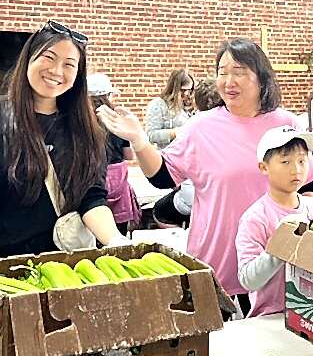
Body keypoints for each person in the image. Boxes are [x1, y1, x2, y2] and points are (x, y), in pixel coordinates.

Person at [97, 38, 313, 311]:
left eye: (238, 72)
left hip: (274, 266)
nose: (229, 81)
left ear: (261, 77)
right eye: (222, 72)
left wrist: (300, 226)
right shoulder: (201, 127)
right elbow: (163, 177)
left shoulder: (285, 123)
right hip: (216, 261)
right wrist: (139, 140)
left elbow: (310, 187)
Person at [0, 21, 127, 257]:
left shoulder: (87, 129)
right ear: (28, 58)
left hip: (67, 263)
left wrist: (116, 240)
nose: (57, 71)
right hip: (8, 267)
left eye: (69, 64)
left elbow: (92, 197)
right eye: (49, 57)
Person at [236, 127, 313, 318]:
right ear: (264, 167)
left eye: (302, 161)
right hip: (272, 317)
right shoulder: (256, 218)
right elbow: (248, 280)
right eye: (285, 162)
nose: (296, 170)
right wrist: (279, 248)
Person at [151, 78, 222, 229]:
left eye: (189, 92)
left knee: (160, 211)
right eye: (184, 91)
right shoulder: (234, 123)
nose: (187, 96)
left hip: (198, 193)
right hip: (219, 194)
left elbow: (163, 175)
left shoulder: (195, 125)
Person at [88, 72, 141, 235]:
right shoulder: (117, 121)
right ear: (108, 95)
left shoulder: (83, 122)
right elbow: (129, 156)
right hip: (119, 182)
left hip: (93, 184)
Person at [145, 69, 194, 149]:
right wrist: (174, 133)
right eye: (183, 90)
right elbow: (150, 135)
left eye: (189, 90)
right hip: (167, 154)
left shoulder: (189, 105)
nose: (186, 94)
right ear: (174, 88)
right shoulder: (159, 104)